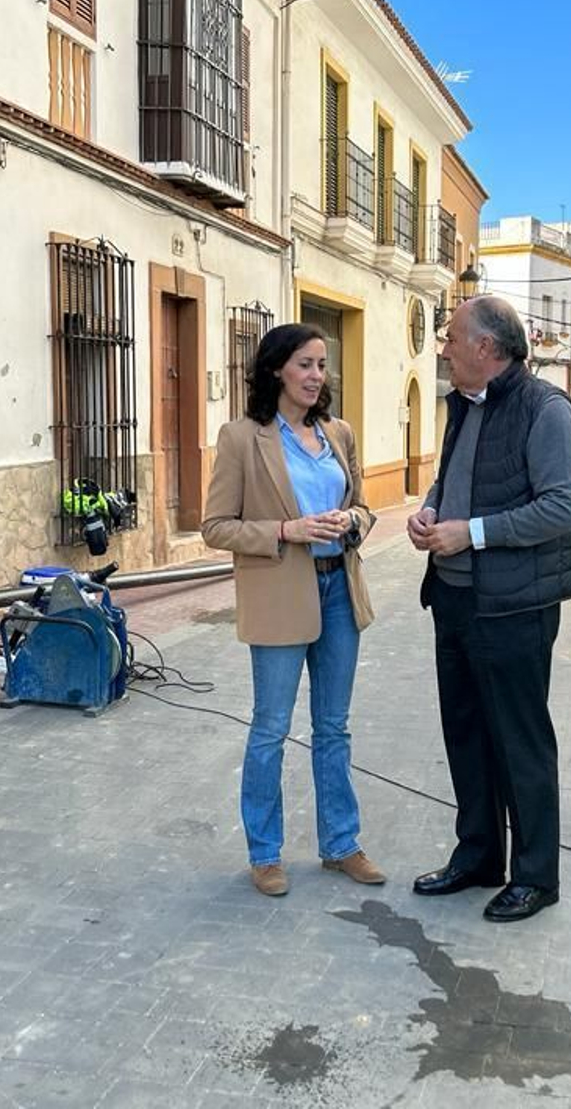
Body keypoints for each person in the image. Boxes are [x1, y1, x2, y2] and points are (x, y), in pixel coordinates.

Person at [407, 295, 571, 922]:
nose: (444, 346)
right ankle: (479, 857)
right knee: (467, 735)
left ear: (487, 347)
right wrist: (431, 509)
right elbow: (454, 478)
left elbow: (563, 507)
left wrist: (470, 532)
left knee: (519, 740)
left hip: (513, 609)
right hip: (455, 598)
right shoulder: (465, 406)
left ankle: (537, 876)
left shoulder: (547, 410)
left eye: (452, 337)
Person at [203, 322, 382, 897]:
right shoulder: (241, 437)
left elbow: (362, 507)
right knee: (271, 729)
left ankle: (341, 844)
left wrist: (351, 522)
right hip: (281, 592)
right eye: (305, 364)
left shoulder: (338, 433)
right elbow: (215, 527)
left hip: (339, 592)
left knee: (334, 727)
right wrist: (287, 529)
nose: (315, 376)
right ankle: (265, 853)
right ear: (277, 368)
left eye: (322, 365)